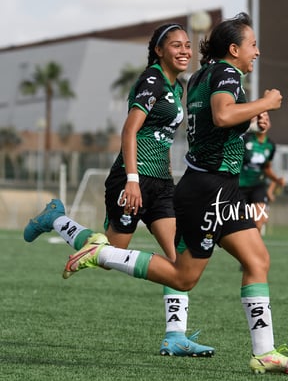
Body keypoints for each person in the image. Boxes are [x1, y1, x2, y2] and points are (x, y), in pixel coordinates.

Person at [25, 13, 288, 375]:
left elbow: (213, 124)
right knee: (182, 276)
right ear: (234, 49)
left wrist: (250, 118)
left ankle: (254, 351)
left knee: (257, 261)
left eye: (188, 45)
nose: (258, 52)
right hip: (201, 188)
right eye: (253, 45)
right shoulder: (220, 74)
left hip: (200, 185)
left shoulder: (198, 78)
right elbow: (220, 117)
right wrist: (265, 103)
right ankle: (100, 251)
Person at [24, 23, 214, 357]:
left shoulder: (178, 85)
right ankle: (56, 219)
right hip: (132, 179)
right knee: (110, 252)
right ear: (158, 50)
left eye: (188, 45)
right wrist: (132, 179)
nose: (184, 51)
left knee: (176, 260)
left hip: (162, 185)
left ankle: (175, 337)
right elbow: (129, 131)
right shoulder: (151, 81)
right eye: (176, 45)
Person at [239, 111, 285, 233]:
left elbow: (267, 168)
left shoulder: (270, 146)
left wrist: (277, 180)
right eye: (259, 119)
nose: (263, 121)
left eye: (266, 119)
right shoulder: (245, 139)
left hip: (257, 186)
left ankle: (253, 249)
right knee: (239, 224)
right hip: (240, 186)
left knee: (259, 221)